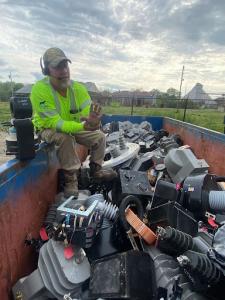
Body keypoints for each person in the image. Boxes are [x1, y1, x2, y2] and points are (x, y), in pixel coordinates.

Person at [30, 47, 116, 198]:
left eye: (65, 65)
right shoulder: (39, 90)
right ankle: (71, 180)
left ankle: (96, 171)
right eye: (57, 67)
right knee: (65, 138)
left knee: (100, 137)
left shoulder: (78, 89)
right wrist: (83, 126)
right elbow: (56, 124)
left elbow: (87, 114)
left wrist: (93, 122)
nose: (64, 71)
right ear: (46, 71)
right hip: (47, 128)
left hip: (72, 126)